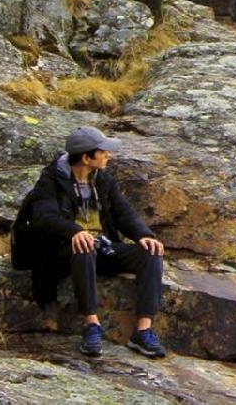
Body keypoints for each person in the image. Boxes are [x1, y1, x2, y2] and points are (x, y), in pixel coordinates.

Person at [12, 126, 167, 358]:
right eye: (103, 152)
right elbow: (44, 217)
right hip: (60, 254)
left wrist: (144, 235)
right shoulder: (51, 181)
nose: (108, 156)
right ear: (86, 157)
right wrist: (74, 231)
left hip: (100, 247)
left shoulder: (102, 180)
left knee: (150, 253)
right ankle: (91, 324)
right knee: (84, 247)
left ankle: (143, 332)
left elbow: (125, 213)